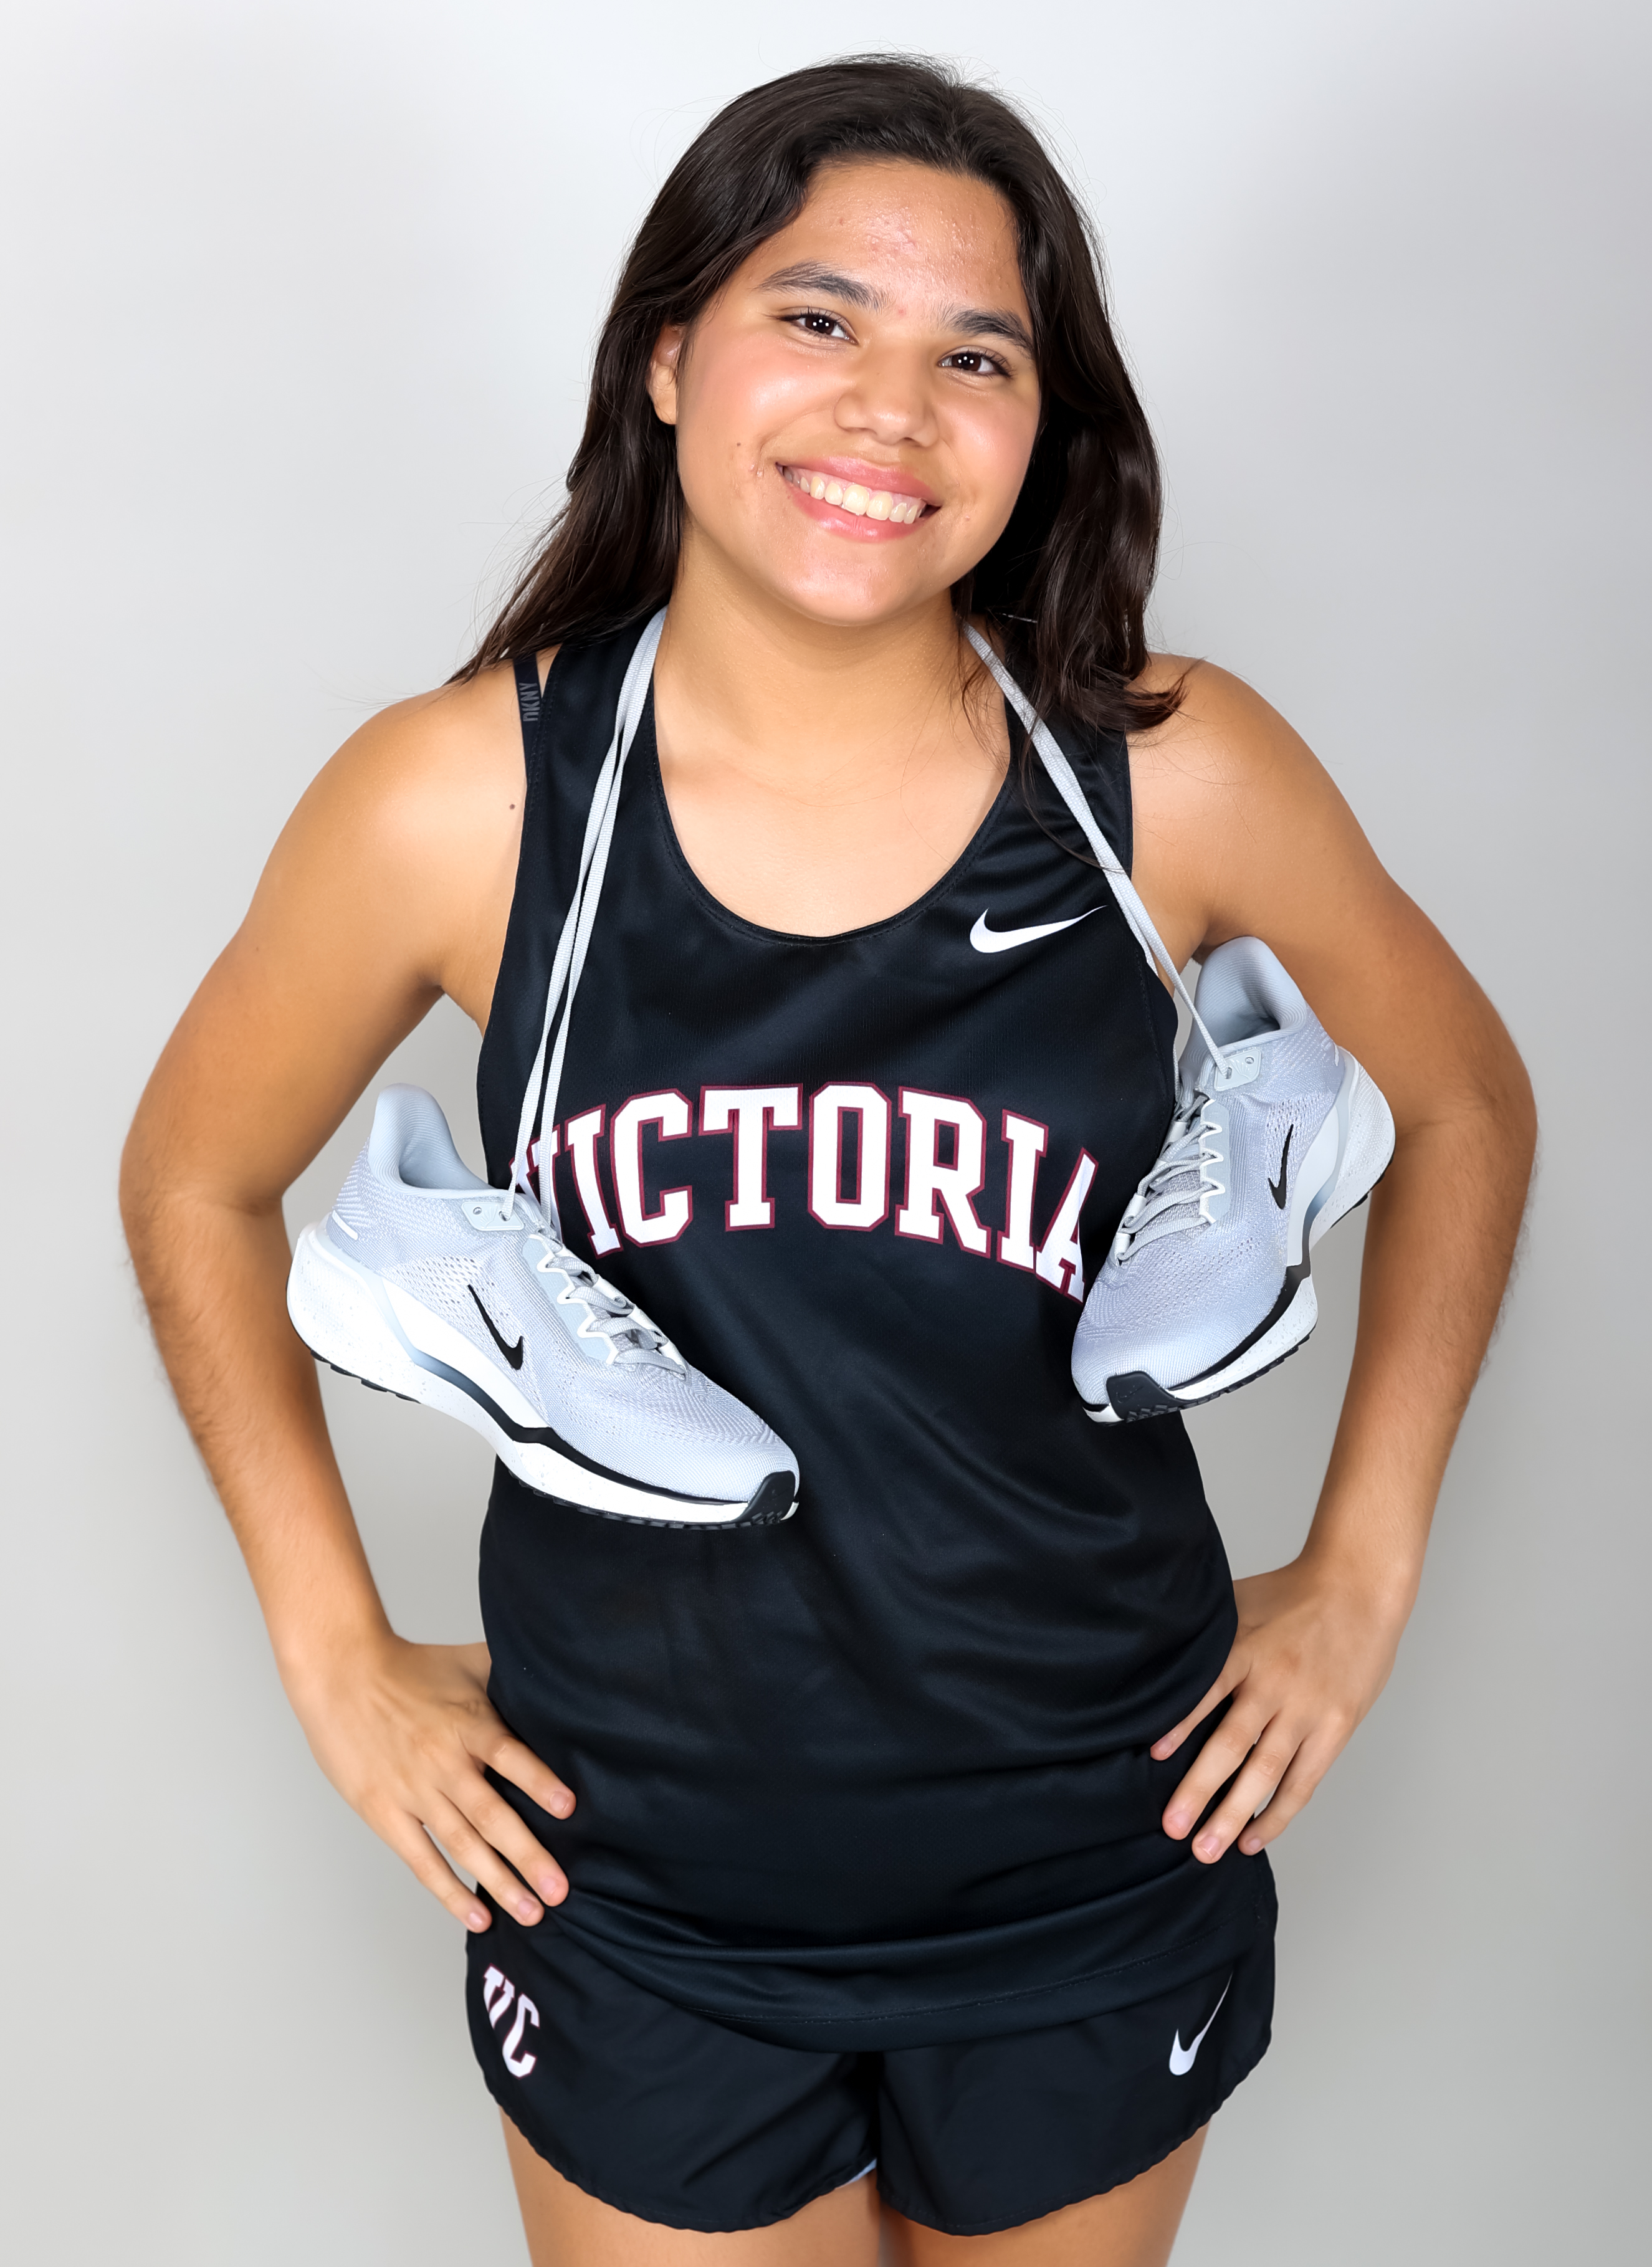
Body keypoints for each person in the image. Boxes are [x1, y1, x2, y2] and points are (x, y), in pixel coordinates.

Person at [121, 54, 1535, 2267]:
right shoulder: (464, 801)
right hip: (641, 1883)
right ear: (669, 353)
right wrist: (333, 1649)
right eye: (819, 317)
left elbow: (1462, 1099)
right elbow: (191, 1179)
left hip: (1094, 1848)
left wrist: (1360, 1575)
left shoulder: (1166, 774)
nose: (891, 408)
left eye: (975, 354)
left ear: (1039, 423)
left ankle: (1243, 1131)